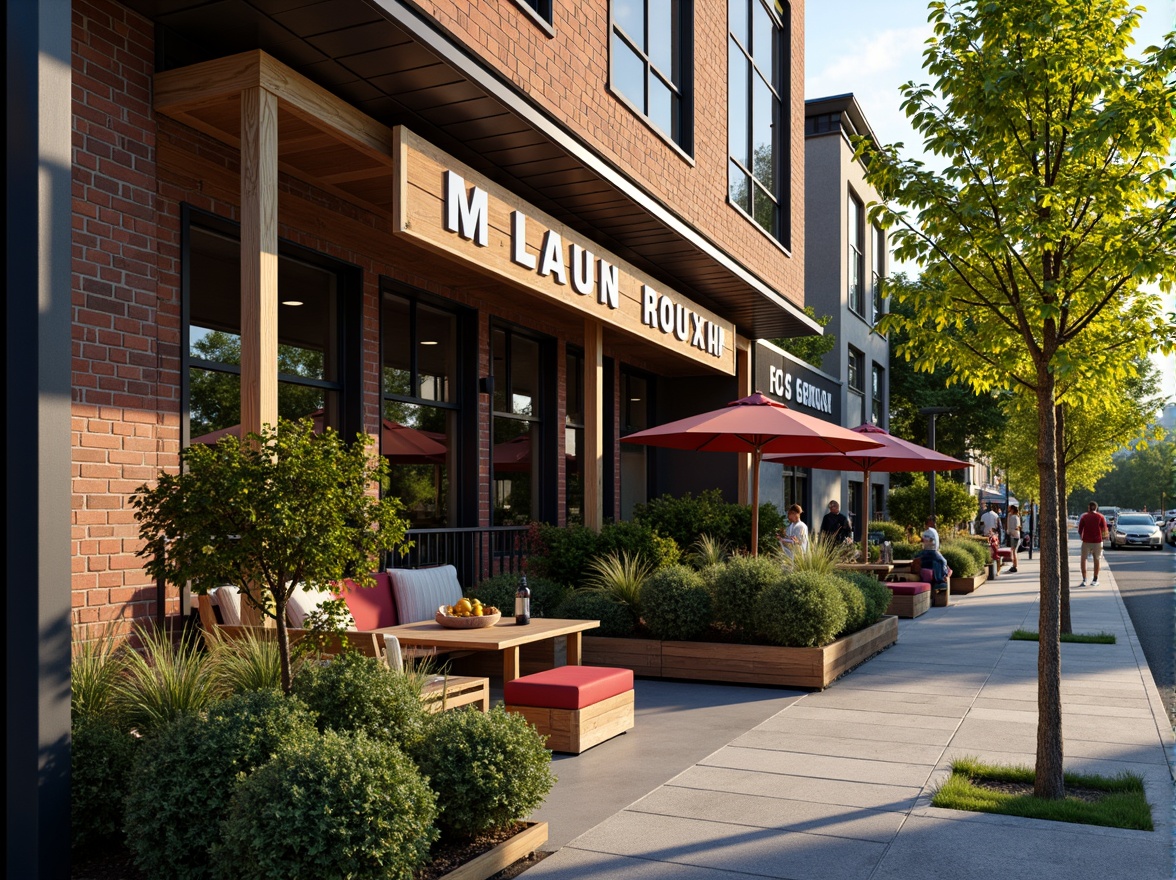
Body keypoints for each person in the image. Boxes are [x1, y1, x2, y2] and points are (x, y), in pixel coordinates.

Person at [1076, 501, 1109, 587]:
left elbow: (1080, 530)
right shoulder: (1100, 517)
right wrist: (1104, 538)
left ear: (1089, 508)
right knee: (1097, 559)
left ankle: (1084, 579)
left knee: (1083, 559)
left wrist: (1082, 537)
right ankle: (1095, 579)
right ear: (1096, 508)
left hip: (1086, 541)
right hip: (1097, 541)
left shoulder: (1084, 517)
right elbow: (1104, 529)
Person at [1005, 504, 1021, 573]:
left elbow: (1017, 527)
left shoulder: (1014, 517)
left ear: (1012, 509)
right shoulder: (1013, 516)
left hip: (1014, 535)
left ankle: (1015, 566)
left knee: (1014, 551)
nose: (1008, 510)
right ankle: (1014, 565)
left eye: (1009, 509)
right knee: (1013, 551)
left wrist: (1011, 531)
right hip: (1014, 535)